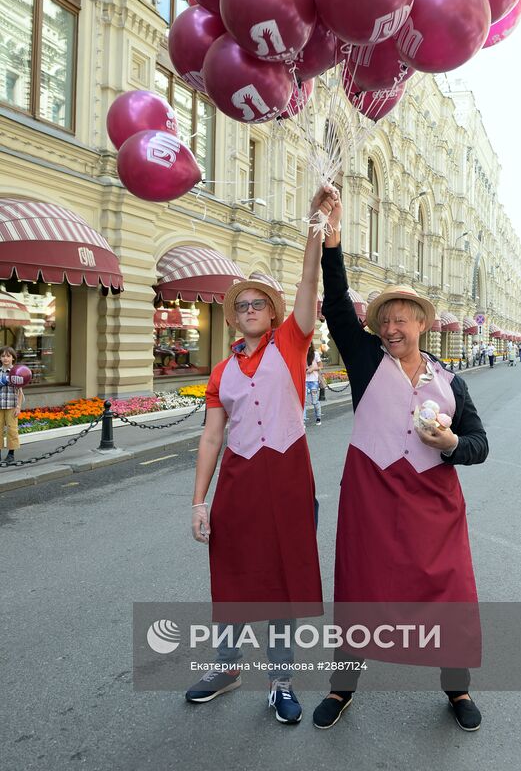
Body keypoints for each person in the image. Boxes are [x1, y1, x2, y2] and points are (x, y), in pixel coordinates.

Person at [312, 196, 488, 733]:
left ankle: (456, 689)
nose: (391, 328)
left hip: (436, 509)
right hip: (373, 501)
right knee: (361, 592)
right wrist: (333, 242)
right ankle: (343, 688)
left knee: (450, 593)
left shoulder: (449, 380)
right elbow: (338, 306)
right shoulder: (367, 362)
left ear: (420, 325)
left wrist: (452, 442)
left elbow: (480, 443)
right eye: (384, 320)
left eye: (401, 320)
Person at [185, 185, 337, 724]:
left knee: (279, 585)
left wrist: (315, 226)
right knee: (230, 580)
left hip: (289, 479)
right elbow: (210, 438)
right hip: (240, 483)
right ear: (232, 318)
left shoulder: (292, 342)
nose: (249, 310)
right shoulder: (222, 372)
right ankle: (227, 667)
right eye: (241, 305)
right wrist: (199, 502)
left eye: (258, 304)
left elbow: (307, 283)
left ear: (272, 314)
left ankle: (280, 682)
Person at [0, 346, 24, 464]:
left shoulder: (17, 372)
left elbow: (20, 392)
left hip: (12, 405)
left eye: (8, 356)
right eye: (3, 356)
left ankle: (11, 454)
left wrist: (18, 407)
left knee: (12, 430)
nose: (5, 358)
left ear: (13, 358)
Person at [304, 342, 322, 426]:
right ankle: (303, 421)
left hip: (314, 380)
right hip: (303, 380)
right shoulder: (301, 352)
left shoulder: (315, 354)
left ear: (310, 344)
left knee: (315, 401)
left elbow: (321, 366)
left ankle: (318, 418)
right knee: (303, 401)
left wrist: (313, 368)